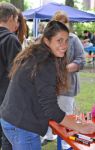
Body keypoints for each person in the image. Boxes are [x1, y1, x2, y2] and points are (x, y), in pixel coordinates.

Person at [0, 20, 95, 150]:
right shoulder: (45, 63)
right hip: (22, 125)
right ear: (46, 41)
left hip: (10, 118)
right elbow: (51, 108)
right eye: (59, 40)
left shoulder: (36, 55)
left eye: (66, 40)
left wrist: (70, 124)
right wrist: (79, 127)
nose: (64, 45)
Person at [41, 11, 86, 149]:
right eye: (60, 22)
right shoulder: (47, 39)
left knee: (66, 114)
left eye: (65, 22)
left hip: (67, 86)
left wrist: (65, 69)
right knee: (48, 111)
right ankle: (48, 135)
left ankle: (67, 143)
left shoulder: (74, 39)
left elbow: (81, 60)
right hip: (51, 84)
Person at [0, 2, 21, 150]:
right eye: (17, 19)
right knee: (8, 139)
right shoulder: (11, 39)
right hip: (5, 101)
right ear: (12, 18)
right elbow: (17, 74)